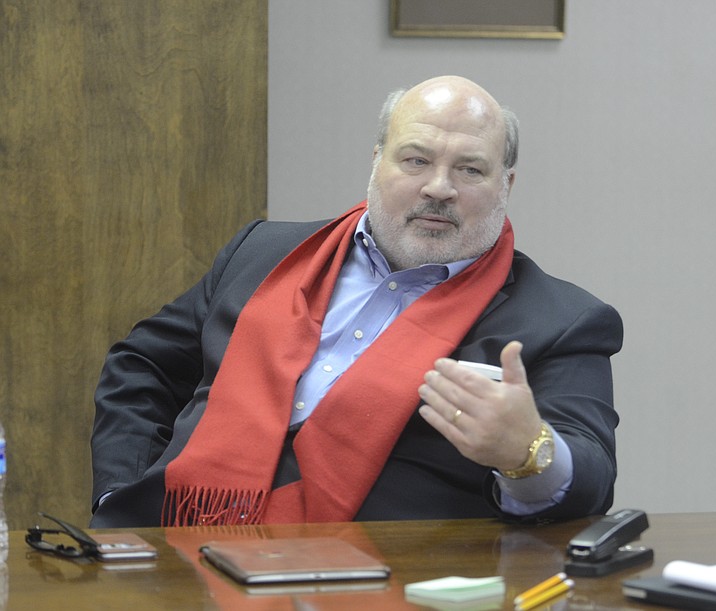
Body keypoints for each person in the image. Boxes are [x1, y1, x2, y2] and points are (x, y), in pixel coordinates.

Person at [90, 75, 623, 528]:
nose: (439, 187)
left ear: (506, 183)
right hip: (174, 550)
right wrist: (120, 493)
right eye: (415, 160)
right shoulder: (263, 252)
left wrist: (528, 452)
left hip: (379, 581)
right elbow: (142, 367)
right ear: (376, 162)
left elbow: (591, 479)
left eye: (470, 169)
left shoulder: (561, 320)